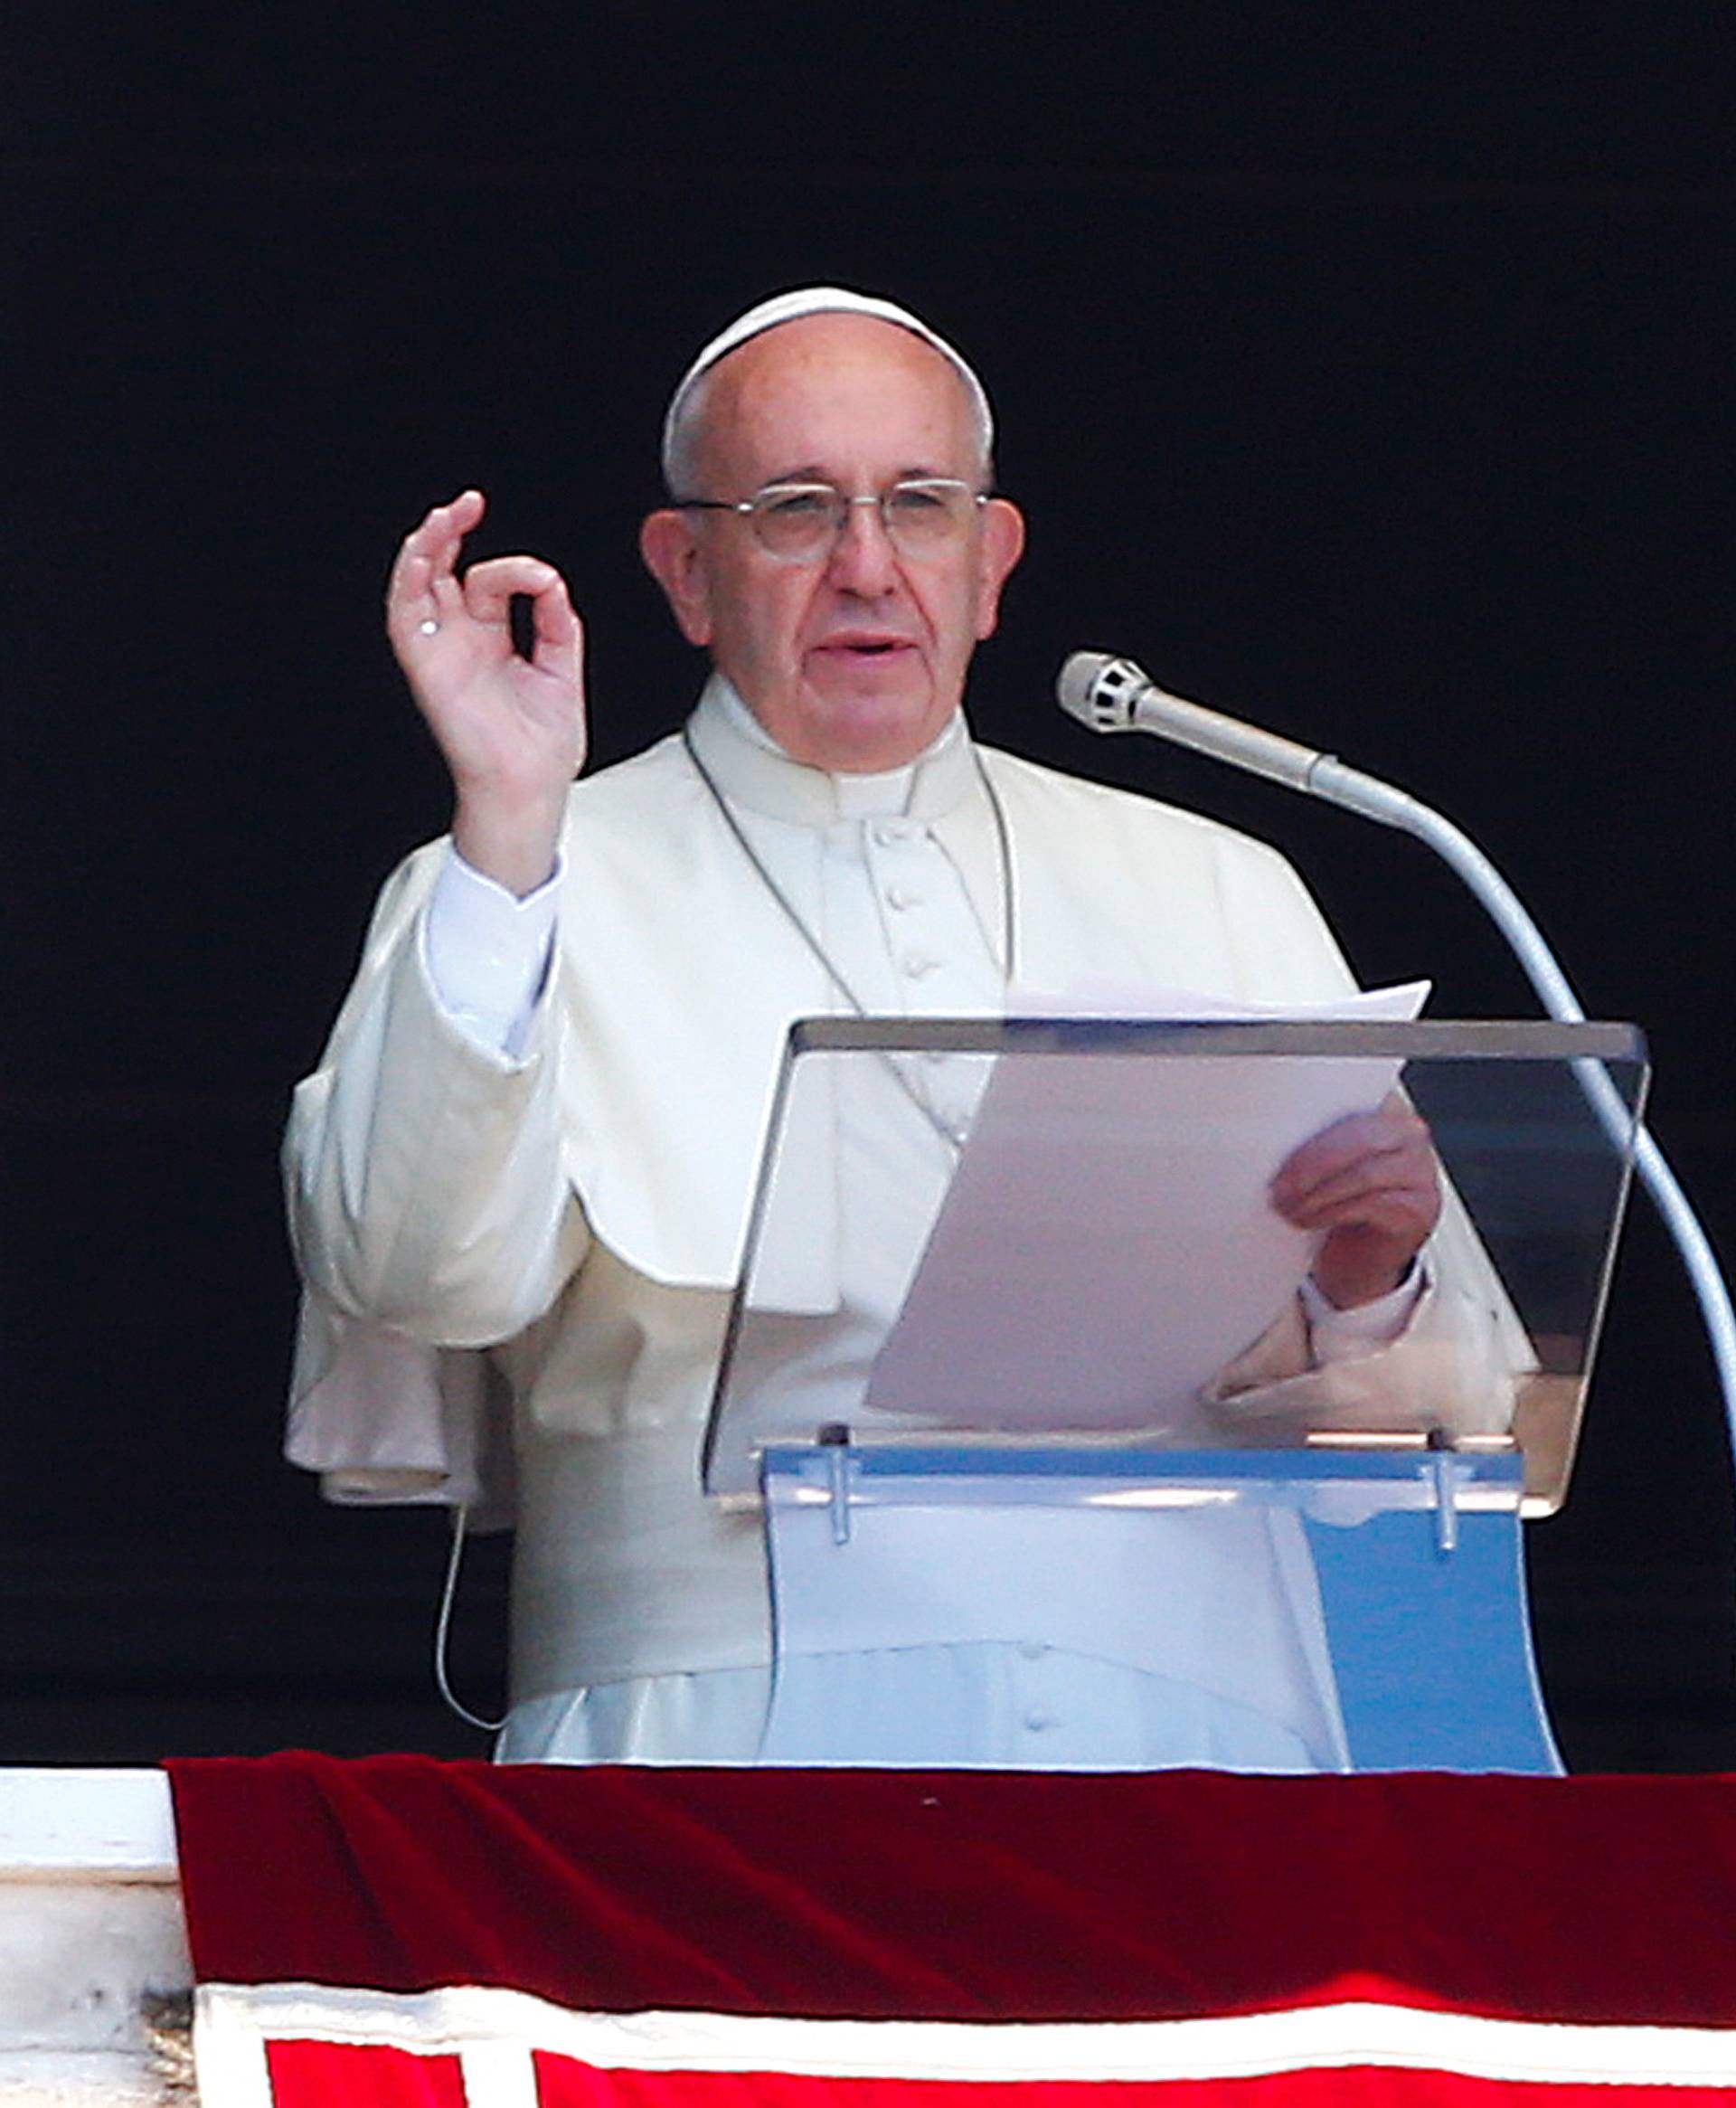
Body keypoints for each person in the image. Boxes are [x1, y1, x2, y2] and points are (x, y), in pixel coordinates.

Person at [285, 288, 1516, 1770]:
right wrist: (504, 816)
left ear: (990, 562)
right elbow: (421, 1276)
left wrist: (1366, 1275)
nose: (868, 568)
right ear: (686, 572)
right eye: (798, 509)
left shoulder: (1215, 884)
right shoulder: (517, 880)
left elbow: (1432, 1454)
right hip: (714, 1744)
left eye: (919, 507)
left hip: (1193, 1758)